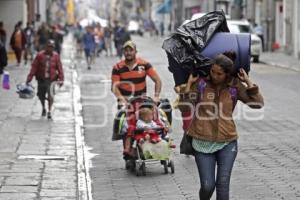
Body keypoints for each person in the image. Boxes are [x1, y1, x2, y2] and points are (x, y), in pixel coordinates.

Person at [178, 53, 264, 200]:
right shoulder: (201, 83)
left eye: (219, 73)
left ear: (227, 74)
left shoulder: (235, 85)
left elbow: (257, 104)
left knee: (223, 184)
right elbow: (184, 109)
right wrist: (188, 86)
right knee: (207, 186)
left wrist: (248, 82)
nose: (215, 76)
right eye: (212, 71)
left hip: (227, 141)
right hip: (201, 141)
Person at [111, 40, 162, 108]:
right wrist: (122, 99)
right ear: (123, 52)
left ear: (135, 52)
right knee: (120, 118)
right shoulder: (117, 68)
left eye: (131, 50)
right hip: (125, 102)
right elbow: (114, 87)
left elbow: (157, 80)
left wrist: (156, 97)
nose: (128, 53)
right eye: (126, 50)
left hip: (142, 101)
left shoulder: (144, 65)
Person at [26, 40, 64, 119]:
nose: (50, 49)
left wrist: (61, 79)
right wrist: (29, 78)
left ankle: (49, 111)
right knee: (41, 95)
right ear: (46, 47)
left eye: (52, 47)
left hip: (51, 79)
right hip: (41, 79)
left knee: (51, 96)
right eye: (49, 47)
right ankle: (43, 107)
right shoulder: (40, 55)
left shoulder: (56, 56)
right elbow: (34, 67)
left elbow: (60, 68)